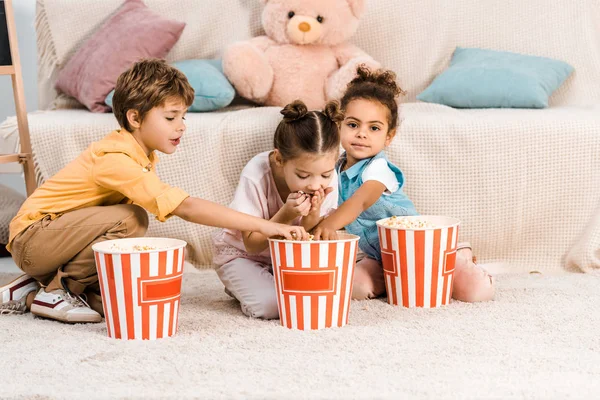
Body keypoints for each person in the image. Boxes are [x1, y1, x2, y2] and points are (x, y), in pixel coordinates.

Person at [0, 59, 307, 323]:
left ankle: (32, 289)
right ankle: (57, 290)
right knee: (131, 219)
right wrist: (268, 226)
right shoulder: (116, 158)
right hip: (33, 237)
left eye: (183, 116)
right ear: (134, 118)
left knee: (115, 306)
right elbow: (184, 206)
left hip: (52, 241)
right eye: (171, 117)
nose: (182, 126)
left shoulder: (142, 155)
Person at [212, 99, 344, 319]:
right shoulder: (257, 172)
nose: (315, 184)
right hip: (244, 256)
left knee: (318, 298)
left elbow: (310, 237)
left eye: (325, 174)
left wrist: (313, 214)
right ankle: (242, 284)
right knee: (273, 306)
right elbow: (251, 244)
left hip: (285, 259)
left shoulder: (327, 178)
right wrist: (286, 214)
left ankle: (260, 284)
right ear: (280, 158)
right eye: (303, 175)